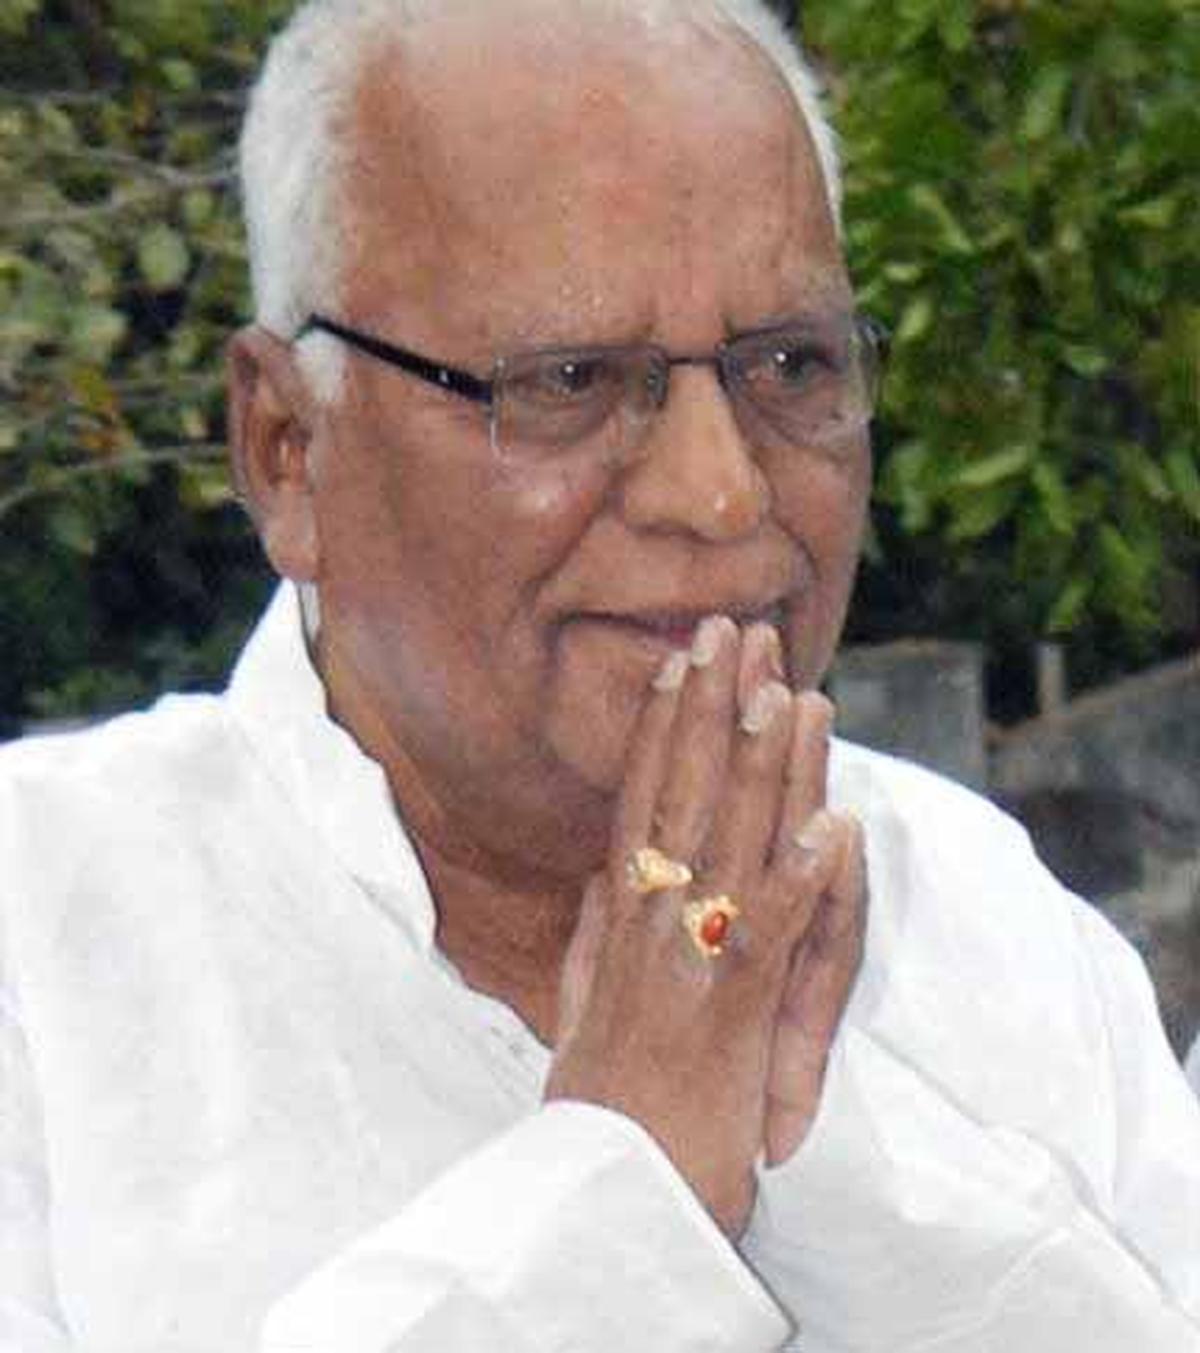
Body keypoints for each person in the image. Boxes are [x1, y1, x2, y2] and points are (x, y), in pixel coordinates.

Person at [2, 1, 1198, 1349]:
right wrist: (630, 1177)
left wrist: (847, 1164)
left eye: (790, 365)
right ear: (289, 448)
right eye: (567, 380)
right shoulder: (42, 945)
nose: (721, 491)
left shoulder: (982, 921)